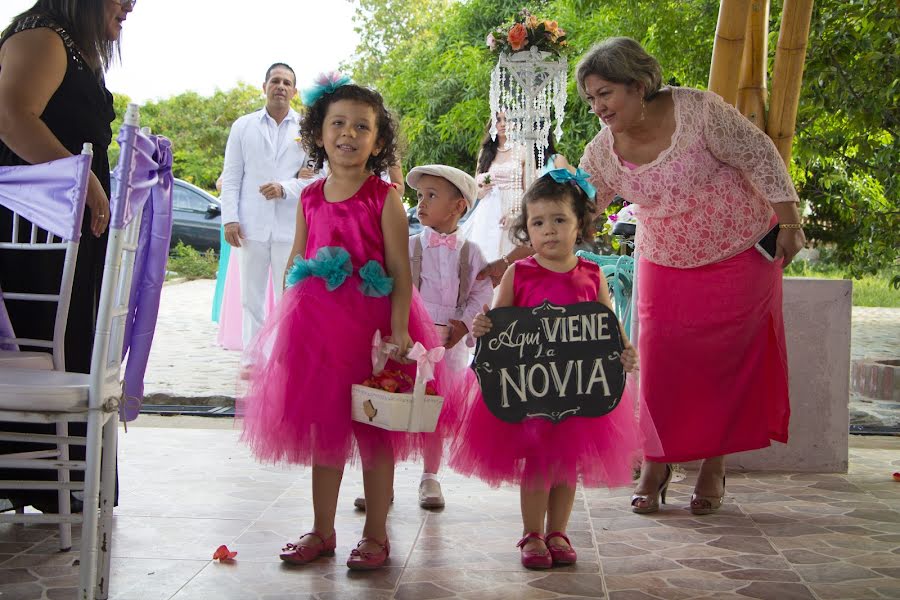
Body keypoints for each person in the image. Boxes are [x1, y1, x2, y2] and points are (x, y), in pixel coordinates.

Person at [553, 37, 803, 515]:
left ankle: (713, 464)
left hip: (738, 251)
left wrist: (789, 222)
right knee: (663, 362)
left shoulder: (700, 112)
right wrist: (540, 238)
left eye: (605, 94)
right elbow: (583, 208)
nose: (597, 107)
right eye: (590, 99)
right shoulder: (602, 150)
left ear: (638, 83)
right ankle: (657, 461)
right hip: (665, 257)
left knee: (726, 362)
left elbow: (760, 155)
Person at [238, 77, 463, 570]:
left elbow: (401, 272)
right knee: (327, 431)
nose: (349, 134)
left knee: (374, 429)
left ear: (379, 141)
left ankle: (376, 534)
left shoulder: (384, 199)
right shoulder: (310, 197)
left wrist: (401, 329)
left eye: (362, 127)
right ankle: (322, 529)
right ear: (319, 134)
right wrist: (284, 322)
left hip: (373, 334)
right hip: (317, 331)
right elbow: (297, 259)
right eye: (338, 123)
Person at [450, 172, 640, 569]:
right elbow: (498, 323)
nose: (548, 231)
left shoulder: (590, 274)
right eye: (538, 223)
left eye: (559, 220)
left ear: (580, 226)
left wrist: (624, 349)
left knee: (566, 465)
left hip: (577, 389)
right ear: (526, 230)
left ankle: (559, 531)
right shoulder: (519, 273)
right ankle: (533, 532)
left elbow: (606, 322)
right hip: (531, 391)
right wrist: (483, 327)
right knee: (538, 463)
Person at [0, 0, 133, 513]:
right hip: (35, 233)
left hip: (63, 229)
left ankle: (62, 482)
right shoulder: (43, 36)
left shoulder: (72, 46)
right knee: (47, 345)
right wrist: (85, 179)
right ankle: (41, 478)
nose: (128, 7)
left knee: (76, 342)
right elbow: (11, 117)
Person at [352, 165, 493, 511]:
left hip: (446, 346)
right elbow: (394, 287)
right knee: (394, 405)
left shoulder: (471, 252)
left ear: (459, 206)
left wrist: (460, 327)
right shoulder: (408, 246)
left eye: (431, 196)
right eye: (419, 197)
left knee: (436, 411)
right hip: (408, 340)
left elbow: (481, 291)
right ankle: (384, 481)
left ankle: (430, 476)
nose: (420, 205)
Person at [219, 62, 314, 354]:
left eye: (287, 83)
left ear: (294, 91)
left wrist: (285, 188)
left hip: (290, 227)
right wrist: (230, 219)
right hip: (251, 225)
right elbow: (232, 176)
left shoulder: (308, 131)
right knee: (251, 298)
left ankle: (283, 357)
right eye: (275, 81)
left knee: (288, 296)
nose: (281, 87)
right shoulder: (243, 126)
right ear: (264, 87)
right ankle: (253, 360)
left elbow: (316, 178)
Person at [464, 113, 526, 263]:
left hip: (514, 205)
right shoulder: (485, 153)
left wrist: (515, 213)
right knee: (487, 252)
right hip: (489, 208)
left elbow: (528, 188)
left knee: (511, 251)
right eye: (498, 120)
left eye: (508, 120)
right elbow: (476, 191)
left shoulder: (523, 150)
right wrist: (482, 187)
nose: (503, 124)